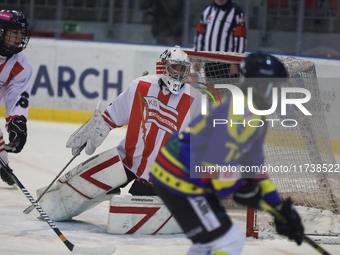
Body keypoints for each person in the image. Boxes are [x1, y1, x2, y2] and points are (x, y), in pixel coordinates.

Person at [150, 52, 304, 255]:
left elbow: (254, 166)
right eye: (273, 87)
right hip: (178, 178)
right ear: (258, 85)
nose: (277, 94)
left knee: (209, 244)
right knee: (228, 241)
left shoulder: (256, 117)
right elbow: (217, 172)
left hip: (187, 177)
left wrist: (277, 205)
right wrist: (244, 190)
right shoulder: (236, 115)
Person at [37, 46, 202, 227]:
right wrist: (95, 129)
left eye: (183, 69)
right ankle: (53, 204)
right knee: (86, 185)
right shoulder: (141, 85)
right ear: (164, 66)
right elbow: (112, 116)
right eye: (174, 67)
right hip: (126, 161)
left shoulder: (194, 99)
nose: (178, 73)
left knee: (130, 221)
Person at [0, 10, 32, 186]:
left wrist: (17, 123)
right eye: (14, 32)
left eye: (21, 33)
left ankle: (3, 165)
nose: (19, 38)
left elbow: (17, 97)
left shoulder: (21, 65)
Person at [194, 0, 247, 82]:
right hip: (209, 62)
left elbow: (241, 39)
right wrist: (197, 59)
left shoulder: (237, 12)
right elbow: (200, 35)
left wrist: (235, 62)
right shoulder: (208, 10)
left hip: (228, 63)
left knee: (228, 93)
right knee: (211, 93)